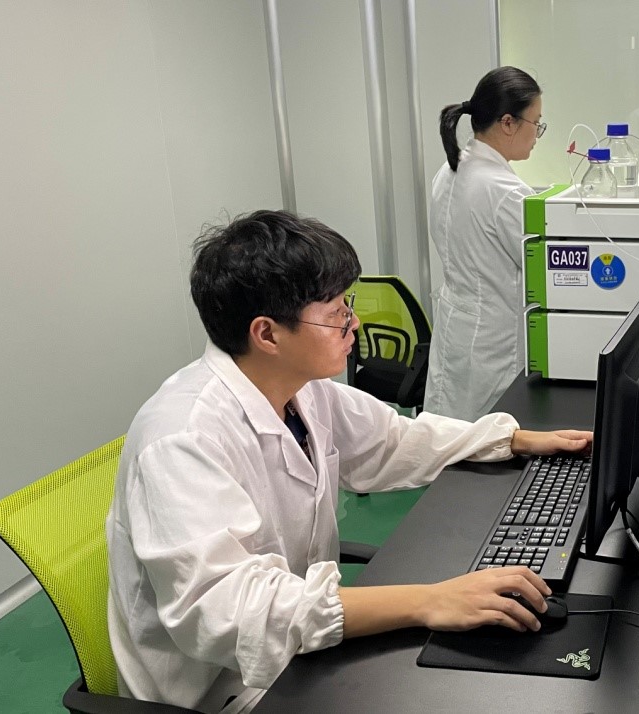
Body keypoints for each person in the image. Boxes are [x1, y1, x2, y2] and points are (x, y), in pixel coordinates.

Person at [105, 210, 591, 713]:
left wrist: (515, 439)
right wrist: (430, 600)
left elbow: (393, 440)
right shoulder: (182, 438)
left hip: (299, 655)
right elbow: (235, 612)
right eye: (335, 312)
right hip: (220, 692)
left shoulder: (298, 388)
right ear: (267, 334)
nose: (353, 322)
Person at [426, 66, 545, 421]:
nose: (537, 134)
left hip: (457, 328)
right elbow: (541, 269)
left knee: (450, 434)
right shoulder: (504, 191)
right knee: (489, 437)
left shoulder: (449, 170)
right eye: (536, 123)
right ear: (508, 122)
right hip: (492, 342)